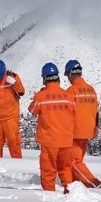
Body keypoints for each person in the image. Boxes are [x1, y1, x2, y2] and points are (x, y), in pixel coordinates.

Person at [27, 62, 76, 192]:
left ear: (44, 79)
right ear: (58, 78)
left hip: (49, 141)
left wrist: (39, 95)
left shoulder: (40, 96)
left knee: (48, 168)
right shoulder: (69, 96)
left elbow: (32, 111)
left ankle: (49, 194)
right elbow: (74, 111)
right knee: (65, 167)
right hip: (66, 140)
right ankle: (70, 191)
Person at [64, 59, 101, 189]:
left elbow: (66, 113)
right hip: (88, 131)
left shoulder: (71, 91)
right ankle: (76, 185)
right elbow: (96, 112)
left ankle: (93, 183)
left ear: (70, 73)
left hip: (74, 133)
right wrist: (95, 129)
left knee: (74, 162)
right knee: (77, 161)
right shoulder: (91, 90)